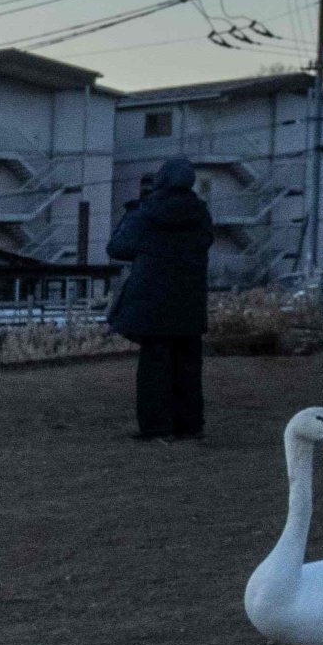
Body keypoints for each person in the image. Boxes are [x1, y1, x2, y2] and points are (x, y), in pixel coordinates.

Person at [111, 157, 215, 442]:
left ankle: (157, 428)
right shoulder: (200, 213)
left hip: (152, 303)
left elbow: (118, 248)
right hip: (190, 302)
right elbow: (206, 242)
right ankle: (190, 426)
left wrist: (133, 212)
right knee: (189, 369)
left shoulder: (146, 212)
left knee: (154, 371)